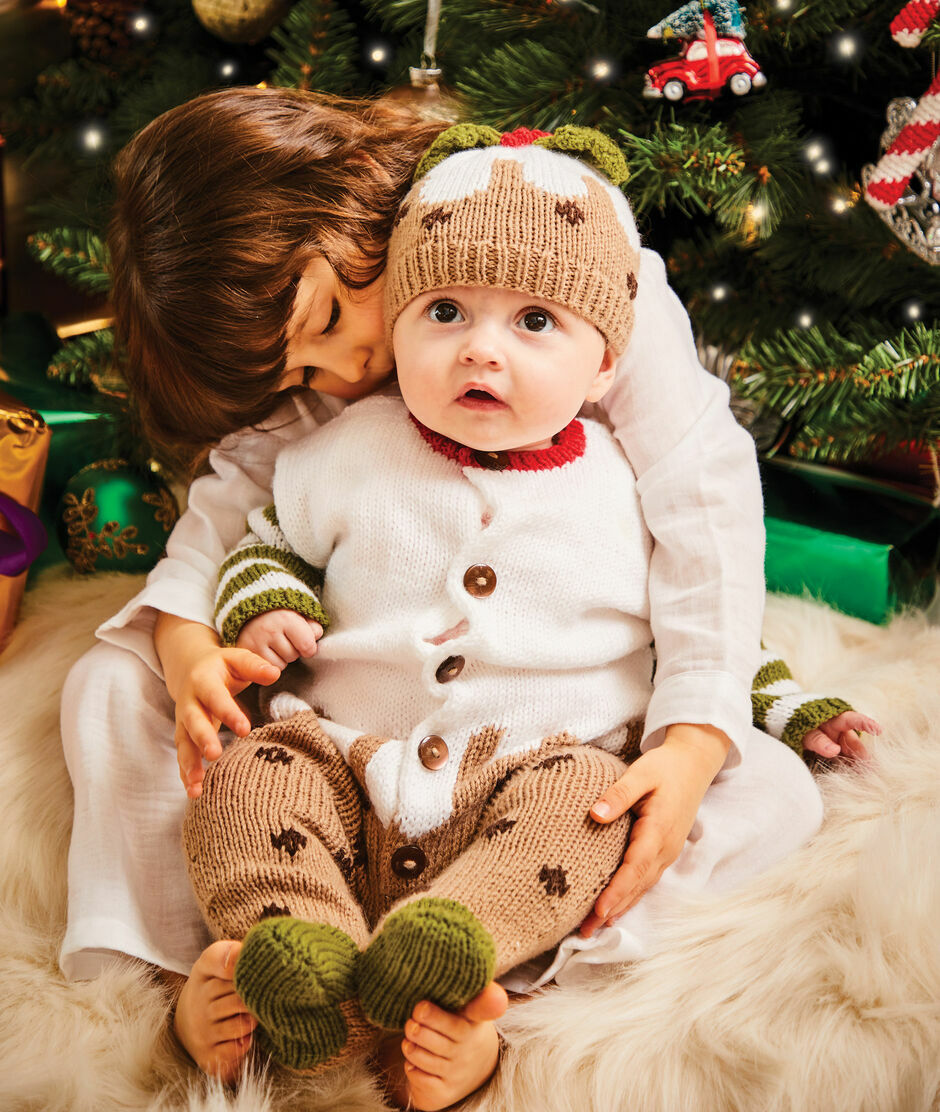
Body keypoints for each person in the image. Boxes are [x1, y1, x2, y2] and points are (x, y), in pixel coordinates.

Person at [56, 90, 874, 1101]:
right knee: (107, 685)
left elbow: (699, 488)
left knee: (765, 792)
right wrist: (191, 662)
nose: (344, 370)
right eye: (297, 372)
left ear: (355, 204)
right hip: (350, 742)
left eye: (324, 324)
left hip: (547, 750)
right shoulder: (332, 388)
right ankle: (207, 969)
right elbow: (232, 501)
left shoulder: (578, 245)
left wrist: (695, 734)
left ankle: (494, 990)